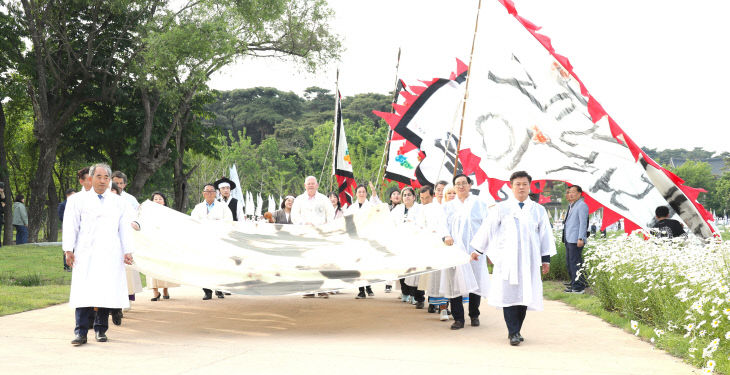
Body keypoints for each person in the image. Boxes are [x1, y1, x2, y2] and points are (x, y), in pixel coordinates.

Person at [470, 171, 557, 346]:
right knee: (509, 294)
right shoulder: (501, 208)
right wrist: (478, 250)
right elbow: (488, 229)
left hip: (529, 260)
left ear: (529, 186)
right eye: (518, 184)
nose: (521, 187)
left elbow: (544, 235)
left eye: (525, 184)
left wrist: (545, 259)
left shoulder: (538, 210)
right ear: (511, 186)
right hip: (507, 259)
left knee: (524, 294)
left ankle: (517, 329)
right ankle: (513, 332)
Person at [62, 163, 135, 346]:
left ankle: (101, 330)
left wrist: (128, 251)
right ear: (91, 178)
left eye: (106, 178)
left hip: (110, 252)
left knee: (106, 290)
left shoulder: (119, 202)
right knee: (83, 292)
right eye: (99, 177)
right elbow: (71, 226)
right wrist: (68, 249)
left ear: (110, 180)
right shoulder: (77, 200)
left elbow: (124, 229)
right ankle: (80, 332)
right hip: (85, 253)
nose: (102, 181)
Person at [440, 175, 490, 330]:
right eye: (457, 184)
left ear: (470, 185)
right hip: (454, 250)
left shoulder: (479, 204)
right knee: (454, 282)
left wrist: (481, 248)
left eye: (463, 183)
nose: (461, 186)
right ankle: (458, 318)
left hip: (473, 251)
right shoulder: (448, 206)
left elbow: (486, 227)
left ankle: (474, 314)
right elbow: (442, 224)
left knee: (475, 282)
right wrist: (446, 235)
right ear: (454, 187)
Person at [291, 176, 334, 298]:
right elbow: (294, 216)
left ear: (317, 185)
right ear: (305, 185)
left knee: (321, 262)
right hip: (305, 235)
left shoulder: (324, 199)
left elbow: (330, 214)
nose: (310, 185)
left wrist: (326, 226)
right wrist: (304, 224)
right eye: (308, 183)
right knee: (306, 263)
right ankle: (308, 289)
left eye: (312, 183)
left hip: (320, 235)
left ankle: (322, 289)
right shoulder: (299, 199)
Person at [191, 183, 233, 300]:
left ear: (215, 193)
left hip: (218, 240)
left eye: (211, 191)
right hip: (203, 240)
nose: (209, 193)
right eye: (207, 191)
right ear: (203, 194)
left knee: (218, 265)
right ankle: (207, 291)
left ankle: (219, 289)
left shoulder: (223, 207)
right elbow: (193, 221)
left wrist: (218, 224)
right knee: (204, 266)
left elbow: (229, 220)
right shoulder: (198, 207)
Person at [416, 185, 449, 315]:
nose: (424, 201)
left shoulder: (445, 207)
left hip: (446, 246)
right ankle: (434, 302)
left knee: (446, 278)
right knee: (432, 278)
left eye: (427, 198)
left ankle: (444, 307)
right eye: (422, 198)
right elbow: (419, 226)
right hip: (432, 246)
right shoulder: (423, 209)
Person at [110, 178, 143, 307]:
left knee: (124, 275)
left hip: (122, 245)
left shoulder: (126, 203)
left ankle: (124, 301)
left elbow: (136, 217)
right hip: (105, 248)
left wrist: (136, 223)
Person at [391, 186, 423, 305]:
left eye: (409, 195)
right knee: (402, 270)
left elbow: (423, 224)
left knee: (414, 270)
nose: (406, 197)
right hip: (401, 244)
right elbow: (391, 223)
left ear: (414, 197)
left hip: (415, 244)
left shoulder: (419, 209)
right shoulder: (398, 209)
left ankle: (414, 295)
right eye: (404, 195)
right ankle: (405, 292)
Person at [146, 192, 180, 301]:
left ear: (164, 201)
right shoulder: (147, 214)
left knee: (165, 267)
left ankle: (165, 289)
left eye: (160, 199)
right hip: (151, 244)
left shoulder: (169, 214)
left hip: (165, 245)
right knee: (151, 268)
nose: (158, 201)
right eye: (155, 199)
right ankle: (155, 292)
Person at [562, 185, 589, 294]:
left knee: (575, 263)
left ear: (579, 194)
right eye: (569, 192)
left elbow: (583, 223)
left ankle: (578, 287)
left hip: (576, 239)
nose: (571, 194)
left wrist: (581, 238)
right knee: (570, 262)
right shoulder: (572, 205)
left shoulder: (582, 205)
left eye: (573, 192)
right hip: (569, 238)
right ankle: (574, 283)